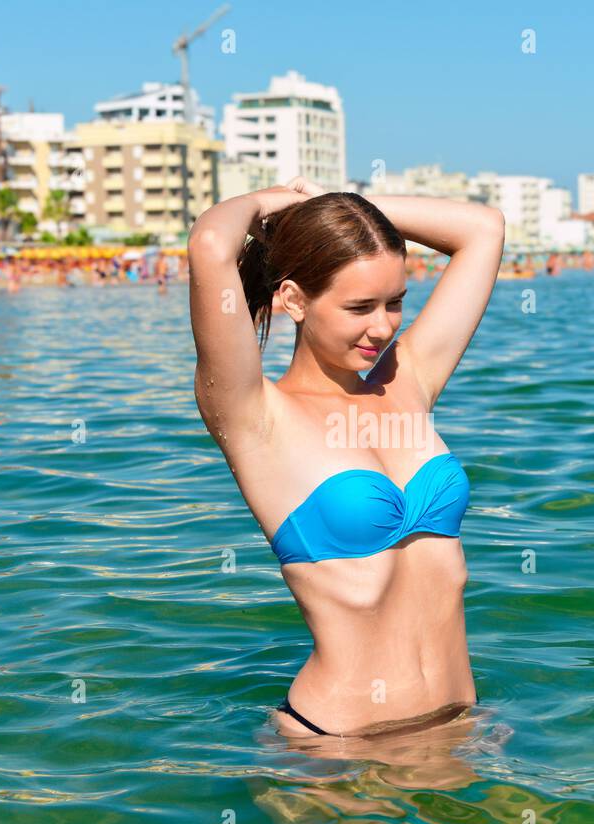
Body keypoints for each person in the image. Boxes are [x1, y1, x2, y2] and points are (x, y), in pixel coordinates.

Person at [187, 177, 505, 738]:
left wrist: (341, 209)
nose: (382, 327)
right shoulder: (255, 415)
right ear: (293, 300)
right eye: (359, 307)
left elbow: (481, 229)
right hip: (335, 747)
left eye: (395, 302)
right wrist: (273, 204)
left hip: (461, 725)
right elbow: (211, 244)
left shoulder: (406, 383)